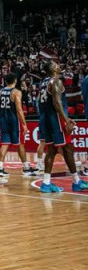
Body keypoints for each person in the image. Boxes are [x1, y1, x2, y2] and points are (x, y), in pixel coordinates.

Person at [38, 61, 88, 193]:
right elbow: (57, 102)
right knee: (68, 148)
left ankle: (47, 183)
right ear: (53, 69)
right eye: (57, 64)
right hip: (56, 120)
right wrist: (66, 120)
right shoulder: (56, 82)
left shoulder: (43, 83)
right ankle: (76, 182)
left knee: (52, 151)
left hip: (45, 119)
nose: (59, 65)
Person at [0, 74, 37, 178]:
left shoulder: (0, 92)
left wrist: (2, 115)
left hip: (4, 120)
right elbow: (19, 109)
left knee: (5, 144)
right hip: (13, 120)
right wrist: (24, 124)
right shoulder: (16, 92)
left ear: (5, 82)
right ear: (15, 81)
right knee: (20, 144)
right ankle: (26, 168)